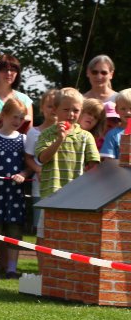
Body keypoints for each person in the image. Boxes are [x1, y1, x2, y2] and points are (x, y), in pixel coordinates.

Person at [36, 88, 101, 234]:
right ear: (55, 110)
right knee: (45, 236)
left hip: (76, 196)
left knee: (71, 236)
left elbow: (94, 166)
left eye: (76, 110)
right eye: (66, 109)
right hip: (51, 195)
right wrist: (60, 139)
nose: (71, 114)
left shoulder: (86, 136)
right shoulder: (46, 134)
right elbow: (42, 158)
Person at [0, 97, 30, 278]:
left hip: (15, 193)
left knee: (14, 230)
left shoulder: (23, 139)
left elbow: (28, 165)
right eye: (14, 117)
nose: (17, 122)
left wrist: (23, 175)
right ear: (3, 115)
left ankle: (11, 268)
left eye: (21, 118)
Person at [24, 89, 60, 233]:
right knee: (41, 229)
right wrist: (39, 170)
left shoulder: (67, 132)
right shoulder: (33, 132)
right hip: (40, 187)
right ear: (42, 108)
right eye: (50, 106)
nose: (54, 109)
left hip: (61, 186)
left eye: (57, 106)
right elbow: (28, 158)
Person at [101, 89, 131, 158]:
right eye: (123, 109)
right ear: (116, 109)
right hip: (119, 168)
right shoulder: (112, 135)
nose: (128, 112)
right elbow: (108, 160)